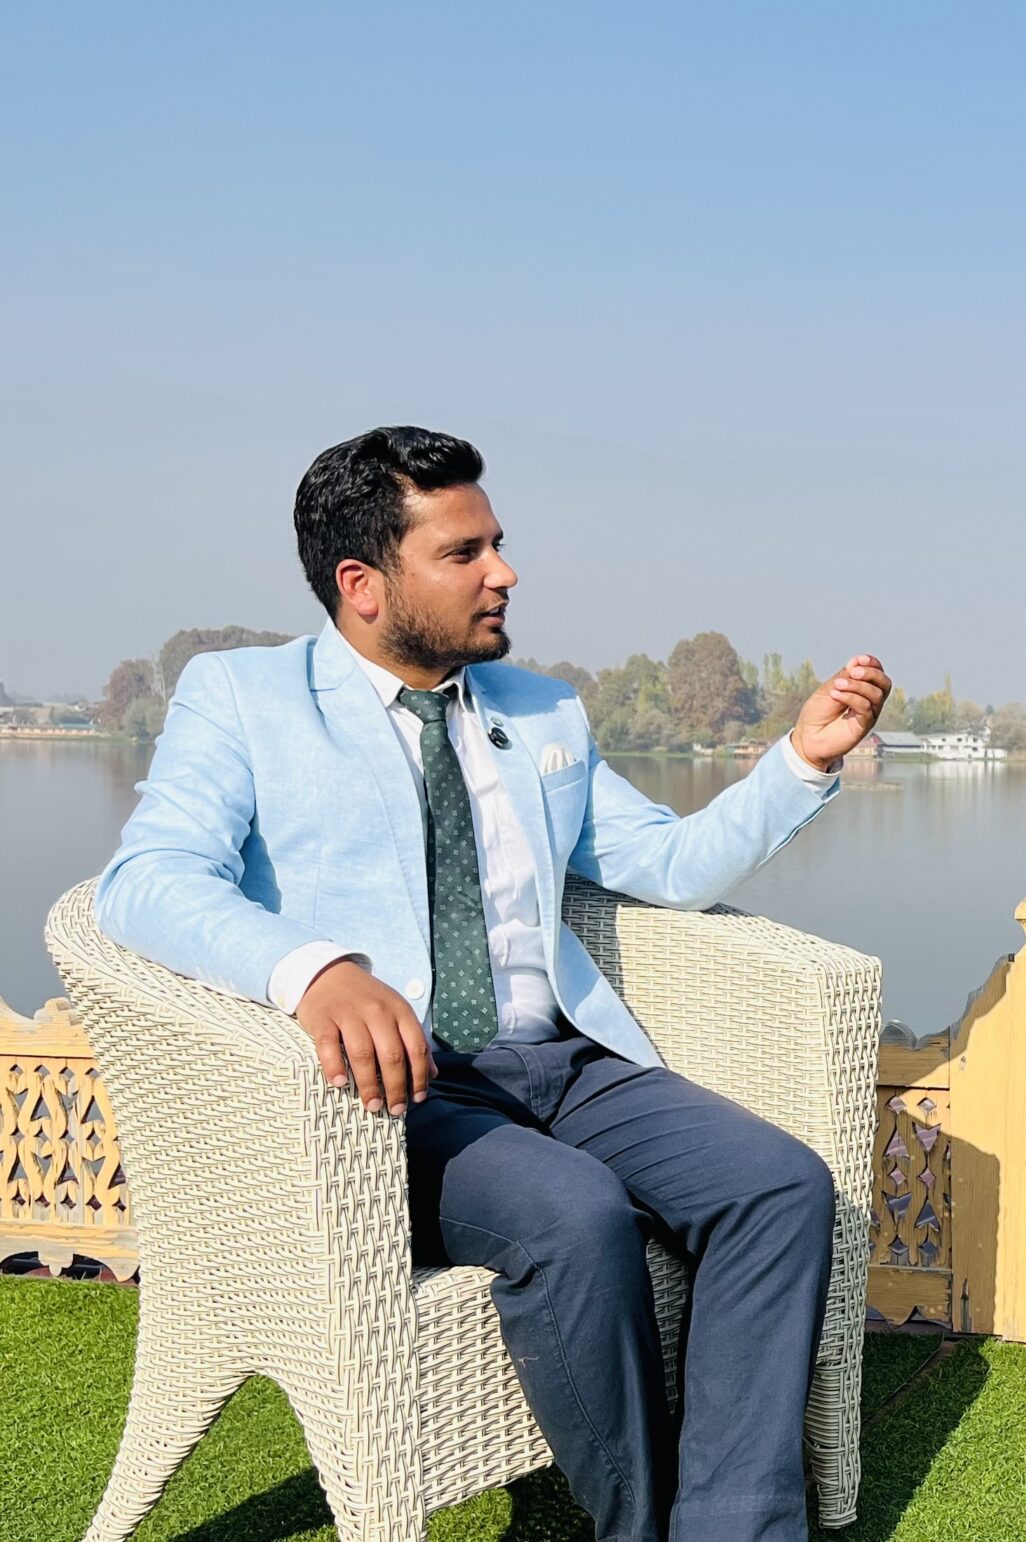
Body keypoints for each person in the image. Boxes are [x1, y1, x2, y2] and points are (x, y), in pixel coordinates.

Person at [95, 427, 890, 1542]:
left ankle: (733, 1528)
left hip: (569, 1062)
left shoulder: (541, 708)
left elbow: (664, 866)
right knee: (575, 1214)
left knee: (779, 1185)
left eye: (497, 544)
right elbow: (145, 881)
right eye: (463, 553)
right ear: (364, 584)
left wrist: (801, 761)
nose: (503, 572)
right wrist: (312, 972)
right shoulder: (242, 697)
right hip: (396, 1092)